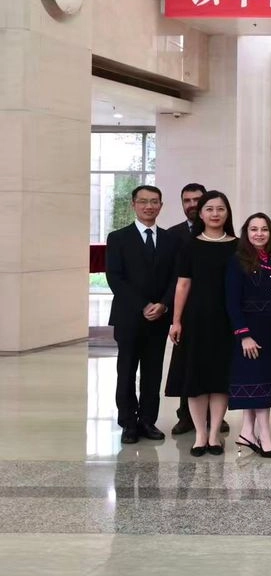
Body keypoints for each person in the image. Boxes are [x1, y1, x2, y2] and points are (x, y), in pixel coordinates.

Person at [105, 184, 181, 444]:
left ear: (161, 205)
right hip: (128, 317)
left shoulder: (171, 240)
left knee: (152, 372)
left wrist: (163, 305)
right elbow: (115, 278)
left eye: (154, 201)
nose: (149, 206)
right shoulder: (118, 238)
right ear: (133, 205)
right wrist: (143, 305)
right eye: (143, 201)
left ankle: (148, 421)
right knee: (126, 371)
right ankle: (128, 422)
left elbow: (175, 278)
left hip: (159, 318)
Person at [168, 191, 239, 456]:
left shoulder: (238, 245)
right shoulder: (189, 244)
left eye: (220, 209)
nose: (215, 214)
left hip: (227, 319)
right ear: (201, 213)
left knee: (220, 378)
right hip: (196, 318)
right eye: (209, 209)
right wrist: (176, 321)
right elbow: (183, 283)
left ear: (227, 213)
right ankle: (199, 434)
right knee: (195, 377)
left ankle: (214, 434)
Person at [226, 213, 271, 459]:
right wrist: (243, 335)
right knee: (255, 383)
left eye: (264, 229)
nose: (259, 233)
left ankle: (247, 433)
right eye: (254, 229)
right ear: (246, 233)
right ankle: (265, 436)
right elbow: (232, 302)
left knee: (266, 383)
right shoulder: (238, 260)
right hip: (251, 331)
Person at [165, 182, 215, 436]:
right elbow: (171, 276)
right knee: (186, 364)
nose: (192, 204)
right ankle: (186, 415)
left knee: (213, 362)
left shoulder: (219, 232)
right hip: (184, 310)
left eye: (197, 200)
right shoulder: (173, 235)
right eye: (187, 200)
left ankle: (213, 416)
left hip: (214, 310)